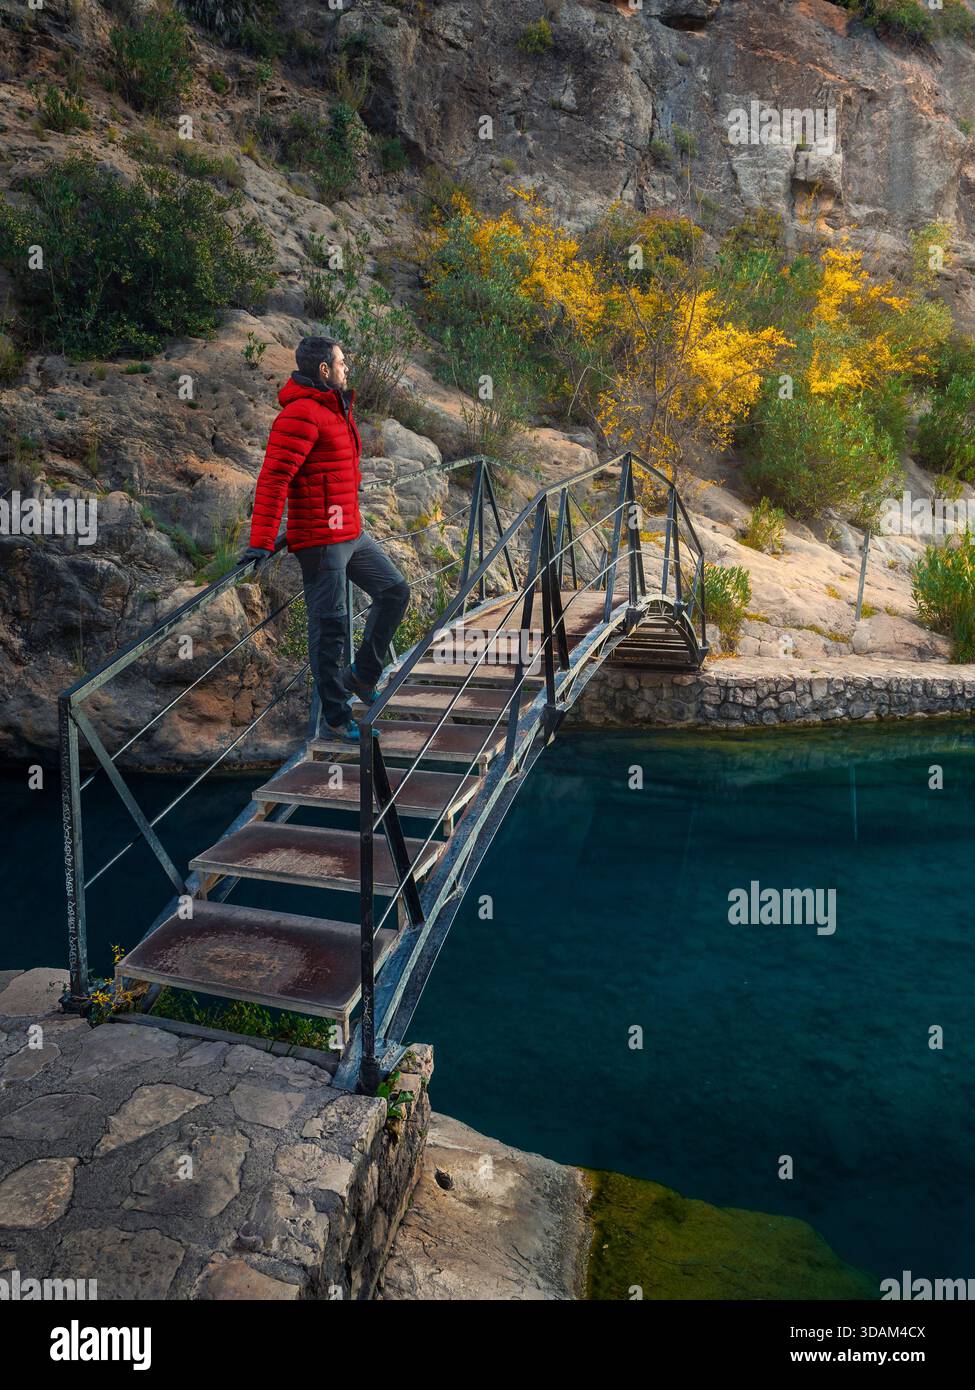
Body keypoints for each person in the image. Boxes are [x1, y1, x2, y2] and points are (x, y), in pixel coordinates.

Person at [240, 334, 410, 742]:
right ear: (323, 369)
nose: (346, 368)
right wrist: (262, 541)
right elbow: (274, 478)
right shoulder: (299, 414)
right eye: (342, 362)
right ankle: (336, 717)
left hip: (350, 533)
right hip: (319, 541)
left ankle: (363, 677)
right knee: (330, 628)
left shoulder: (335, 407)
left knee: (395, 592)